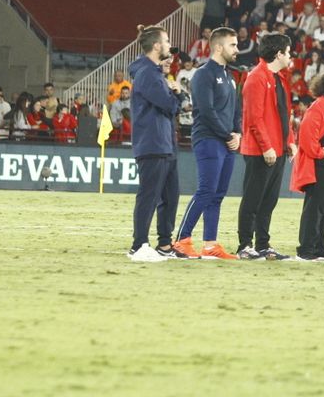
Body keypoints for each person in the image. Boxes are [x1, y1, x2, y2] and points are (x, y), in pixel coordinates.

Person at [126, 26, 193, 262]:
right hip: (152, 143)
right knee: (149, 195)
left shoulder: (152, 72)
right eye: (166, 41)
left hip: (165, 143)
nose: (169, 45)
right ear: (156, 46)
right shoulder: (148, 73)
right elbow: (169, 105)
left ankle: (165, 244)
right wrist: (178, 94)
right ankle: (139, 244)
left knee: (170, 195)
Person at [175, 27, 242, 260]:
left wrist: (238, 133)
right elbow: (206, 110)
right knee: (206, 191)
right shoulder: (203, 74)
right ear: (218, 47)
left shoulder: (229, 76)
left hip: (226, 141)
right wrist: (228, 135)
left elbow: (235, 110)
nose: (237, 49)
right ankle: (182, 241)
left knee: (218, 194)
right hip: (209, 139)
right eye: (233, 45)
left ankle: (210, 244)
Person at [236, 32, 296, 260]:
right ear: (279, 53)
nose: (290, 56)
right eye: (288, 52)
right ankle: (244, 245)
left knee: (269, 200)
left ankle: (263, 244)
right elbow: (254, 118)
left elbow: (283, 114)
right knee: (253, 199)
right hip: (261, 151)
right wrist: (267, 146)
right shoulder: (256, 77)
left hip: (277, 149)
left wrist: (289, 141)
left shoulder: (278, 78)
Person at [291, 72, 324, 261]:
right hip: (321, 168)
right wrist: (319, 152)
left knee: (323, 210)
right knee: (315, 209)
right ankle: (306, 249)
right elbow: (306, 134)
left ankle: (319, 247)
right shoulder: (320, 106)